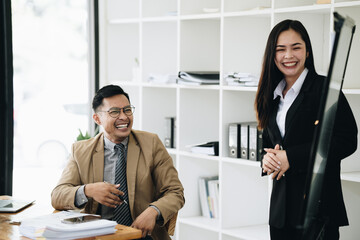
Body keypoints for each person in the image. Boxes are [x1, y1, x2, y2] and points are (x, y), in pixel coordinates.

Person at [255, 19, 358, 240]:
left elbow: (347, 141)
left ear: (307, 51)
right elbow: (267, 144)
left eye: (296, 47)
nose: (288, 56)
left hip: (318, 211)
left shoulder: (326, 90)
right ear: (272, 55)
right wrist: (266, 161)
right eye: (280, 49)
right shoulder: (271, 95)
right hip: (281, 213)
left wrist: (291, 157)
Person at [51, 85, 185, 240]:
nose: (124, 117)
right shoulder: (81, 151)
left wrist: (153, 210)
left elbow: (175, 192)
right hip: (100, 236)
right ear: (97, 118)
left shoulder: (151, 144)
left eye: (127, 110)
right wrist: (88, 190)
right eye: (114, 112)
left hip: (143, 235)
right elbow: (57, 195)